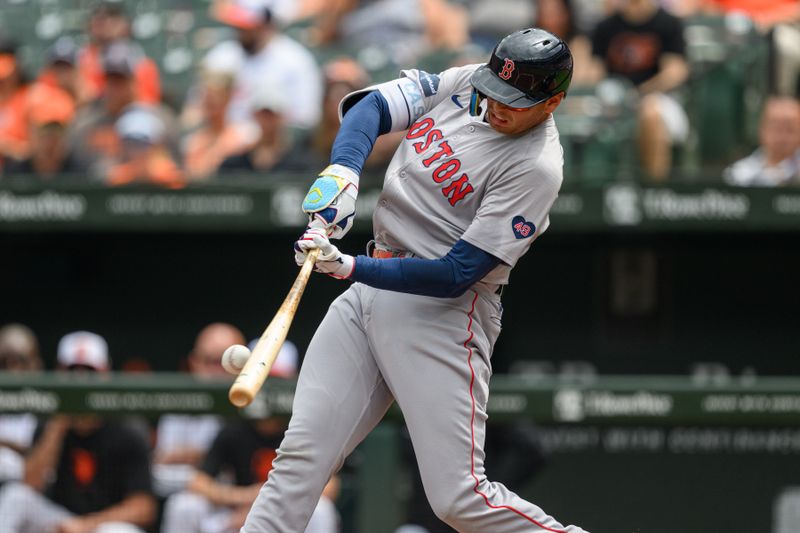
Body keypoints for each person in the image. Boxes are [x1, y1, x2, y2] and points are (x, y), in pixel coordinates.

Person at [241, 28, 589, 532]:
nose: (496, 104)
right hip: (370, 287)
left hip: (441, 314)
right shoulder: (471, 81)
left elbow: (457, 273)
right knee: (299, 459)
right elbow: (370, 106)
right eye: (495, 89)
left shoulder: (536, 166)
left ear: (553, 101)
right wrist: (344, 172)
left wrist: (352, 267)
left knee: (458, 498)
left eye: (515, 101)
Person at [161, 347, 340, 533]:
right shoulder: (235, 427)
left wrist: (262, 505)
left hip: (285, 512)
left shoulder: (301, 426)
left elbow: (330, 487)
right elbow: (197, 482)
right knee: (184, 505)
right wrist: (246, 499)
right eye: (264, 381)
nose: (270, 390)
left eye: (277, 381)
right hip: (235, 516)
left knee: (321, 510)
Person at [0, 331, 156, 533]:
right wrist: (58, 425)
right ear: (59, 374)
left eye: (89, 371)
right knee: (16, 497)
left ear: (105, 374)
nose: (80, 379)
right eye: (72, 370)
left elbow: (144, 507)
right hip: (60, 520)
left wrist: (87, 525)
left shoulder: (127, 426)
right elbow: (30, 483)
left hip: (104, 524)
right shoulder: (49, 420)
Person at [589, 0, 690, 181]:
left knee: (650, 111)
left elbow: (675, 71)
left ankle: (654, 190)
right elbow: (595, 72)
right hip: (615, 101)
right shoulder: (605, 26)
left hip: (661, 99)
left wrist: (639, 93)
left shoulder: (668, 23)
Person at [153, 323, 246, 496]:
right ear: (194, 362)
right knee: (185, 505)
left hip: (246, 500)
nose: (219, 370)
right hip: (195, 497)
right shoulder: (179, 405)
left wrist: (192, 455)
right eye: (212, 361)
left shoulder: (254, 408)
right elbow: (161, 474)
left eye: (228, 362)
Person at [203, 0, 323, 130]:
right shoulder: (220, 56)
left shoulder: (296, 61)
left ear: (266, 24)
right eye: (239, 26)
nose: (241, 31)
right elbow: (196, 110)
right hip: (225, 139)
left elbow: (305, 118)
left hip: (275, 142)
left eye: (248, 26)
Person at [724, 95, 800, 186]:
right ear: (762, 129)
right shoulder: (739, 174)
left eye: (789, 129)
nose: (782, 136)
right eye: (776, 128)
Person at [0, 324, 42, 483]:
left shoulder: (48, 408)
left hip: (31, 494)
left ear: (36, 365)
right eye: (3, 363)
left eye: (20, 362)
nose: (13, 371)